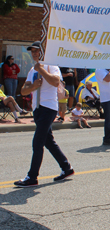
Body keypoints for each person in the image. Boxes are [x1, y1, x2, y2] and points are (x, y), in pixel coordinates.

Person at [14, 41, 74, 187]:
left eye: (37, 51)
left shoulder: (51, 66)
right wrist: (33, 86)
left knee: (37, 142)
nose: (34, 54)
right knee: (48, 141)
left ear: (44, 52)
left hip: (49, 107)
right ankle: (66, 168)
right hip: (37, 109)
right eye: (32, 51)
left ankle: (32, 177)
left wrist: (41, 70)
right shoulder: (32, 70)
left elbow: (55, 82)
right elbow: (23, 91)